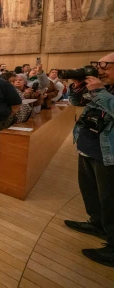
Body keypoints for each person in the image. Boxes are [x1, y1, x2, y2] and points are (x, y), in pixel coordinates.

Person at [64, 53, 114, 267]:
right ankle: (97, 223)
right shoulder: (106, 88)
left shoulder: (104, 90)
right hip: (89, 147)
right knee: (91, 191)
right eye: (99, 65)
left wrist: (99, 91)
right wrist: (77, 86)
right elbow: (76, 102)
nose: (100, 70)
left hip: (108, 153)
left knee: (110, 200)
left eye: (106, 66)